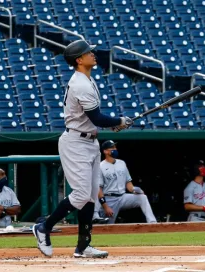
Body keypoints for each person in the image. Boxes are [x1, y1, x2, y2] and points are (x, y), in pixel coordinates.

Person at [32, 40, 133, 259]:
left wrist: (114, 123)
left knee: (89, 197)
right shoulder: (81, 84)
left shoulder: (87, 79)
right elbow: (96, 117)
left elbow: (94, 119)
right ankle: (44, 227)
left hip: (89, 141)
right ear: (79, 59)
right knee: (79, 194)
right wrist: (119, 120)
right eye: (88, 52)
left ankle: (83, 246)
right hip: (76, 143)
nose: (93, 54)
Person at [93, 140, 157, 224]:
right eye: (112, 148)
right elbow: (99, 190)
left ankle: (152, 222)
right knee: (107, 226)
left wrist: (134, 190)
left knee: (142, 198)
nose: (115, 149)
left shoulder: (122, 163)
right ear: (105, 151)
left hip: (122, 197)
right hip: (109, 199)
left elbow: (128, 183)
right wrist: (105, 207)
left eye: (115, 147)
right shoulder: (100, 166)